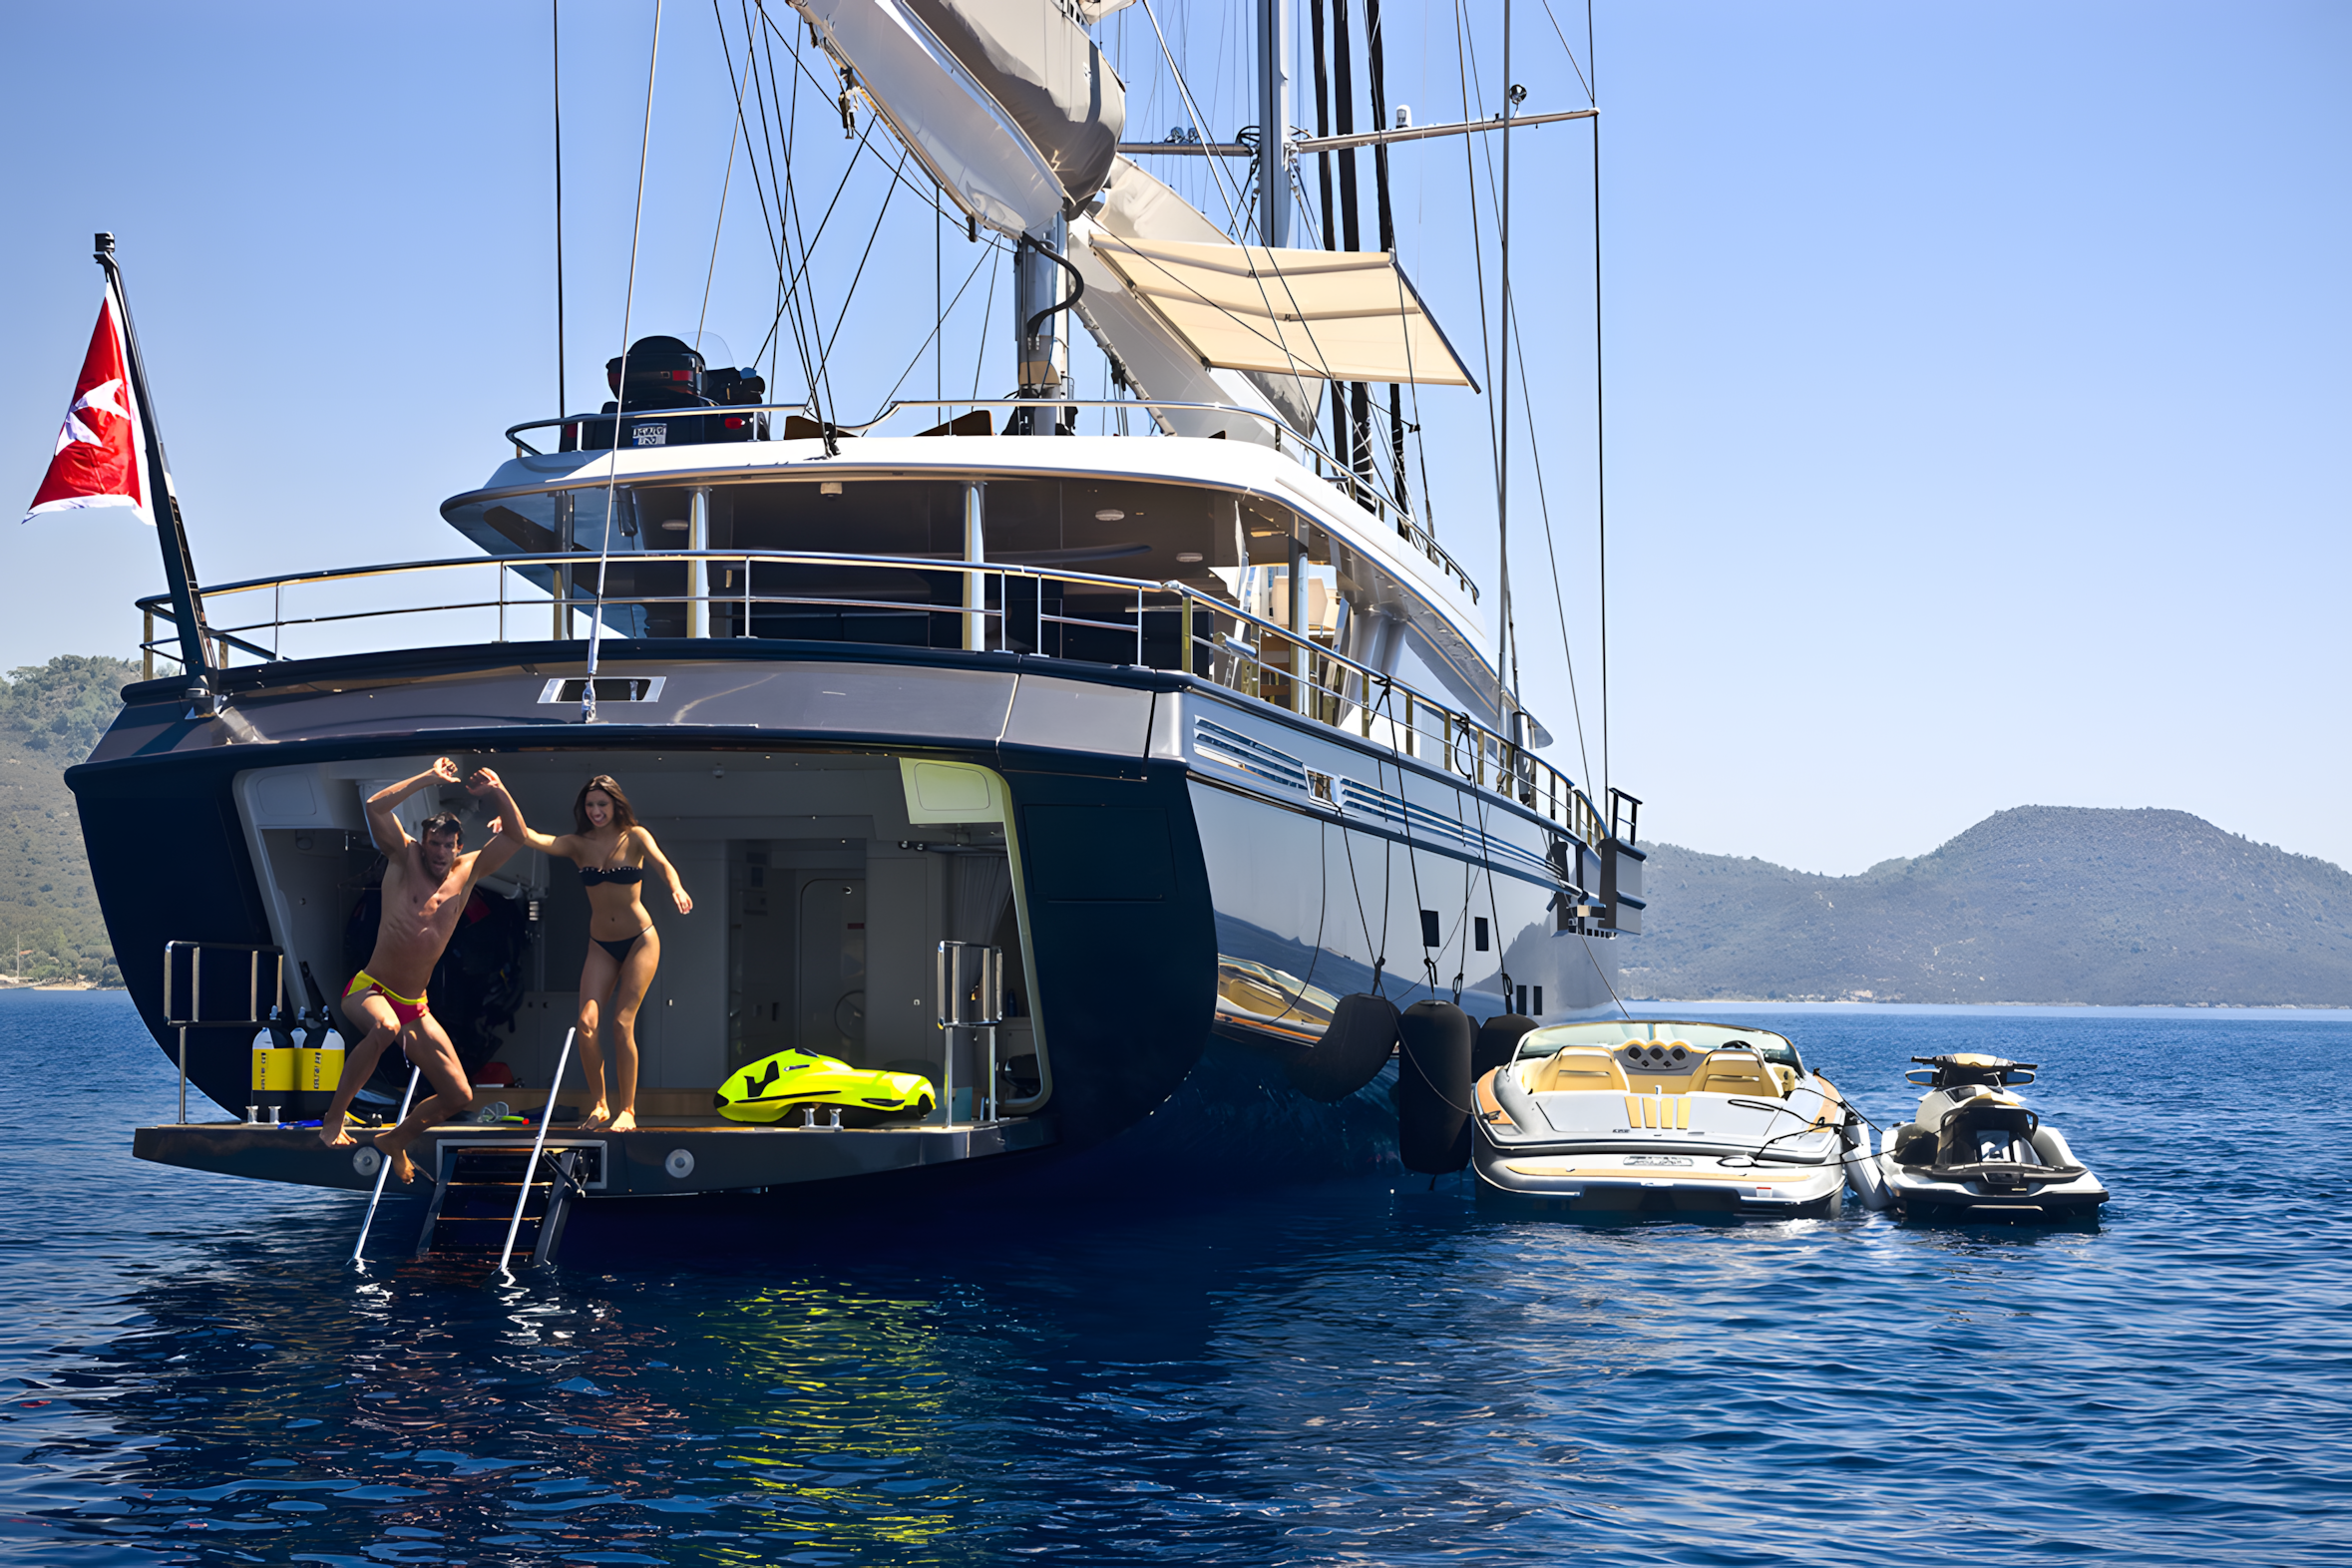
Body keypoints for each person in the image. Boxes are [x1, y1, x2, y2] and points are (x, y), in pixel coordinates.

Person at [319, 758, 520, 1183]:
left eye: (448, 846)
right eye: (433, 844)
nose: (439, 853)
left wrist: (499, 790)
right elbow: (375, 806)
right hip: (369, 989)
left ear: (458, 847)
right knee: (384, 1029)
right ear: (423, 841)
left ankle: (396, 1140)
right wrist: (428, 778)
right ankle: (334, 1119)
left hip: (415, 1005)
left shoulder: (469, 871)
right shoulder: (403, 854)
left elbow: (518, 837)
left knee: (458, 1095)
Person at [472, 770, 690, 1131]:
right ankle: (601, 1105)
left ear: (615, 804)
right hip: (601, 943)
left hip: (640, 939)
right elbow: (532, 838)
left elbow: (663, 864)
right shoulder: (577, 844)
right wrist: (502, 802)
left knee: (622, 1024)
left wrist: (676, 888)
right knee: (587, 1026)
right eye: (590, 805)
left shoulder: (634, 836)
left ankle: (629, 1111)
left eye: (602, 804)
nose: (595, 811)